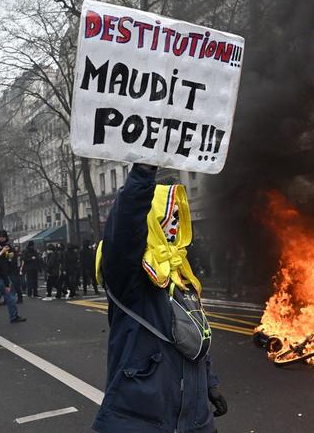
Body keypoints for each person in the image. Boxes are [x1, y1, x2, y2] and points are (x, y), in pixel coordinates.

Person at [93, 164, 227, 432]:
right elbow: (125, 229)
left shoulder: (181, 273)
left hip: (195, 420)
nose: (175, 223)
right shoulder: (129, 275)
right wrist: (143, 171)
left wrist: (209, 385)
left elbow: (195, 334)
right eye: (169, 215)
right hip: (142, 420)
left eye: (178, 215)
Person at [0, 230, 26, 324]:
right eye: (1, 237)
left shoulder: (8, 247)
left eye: (4, 237)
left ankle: (14, 316)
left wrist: (10, 257)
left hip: (5, 275)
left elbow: (12, 259)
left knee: (9, 297)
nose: (2, 238)